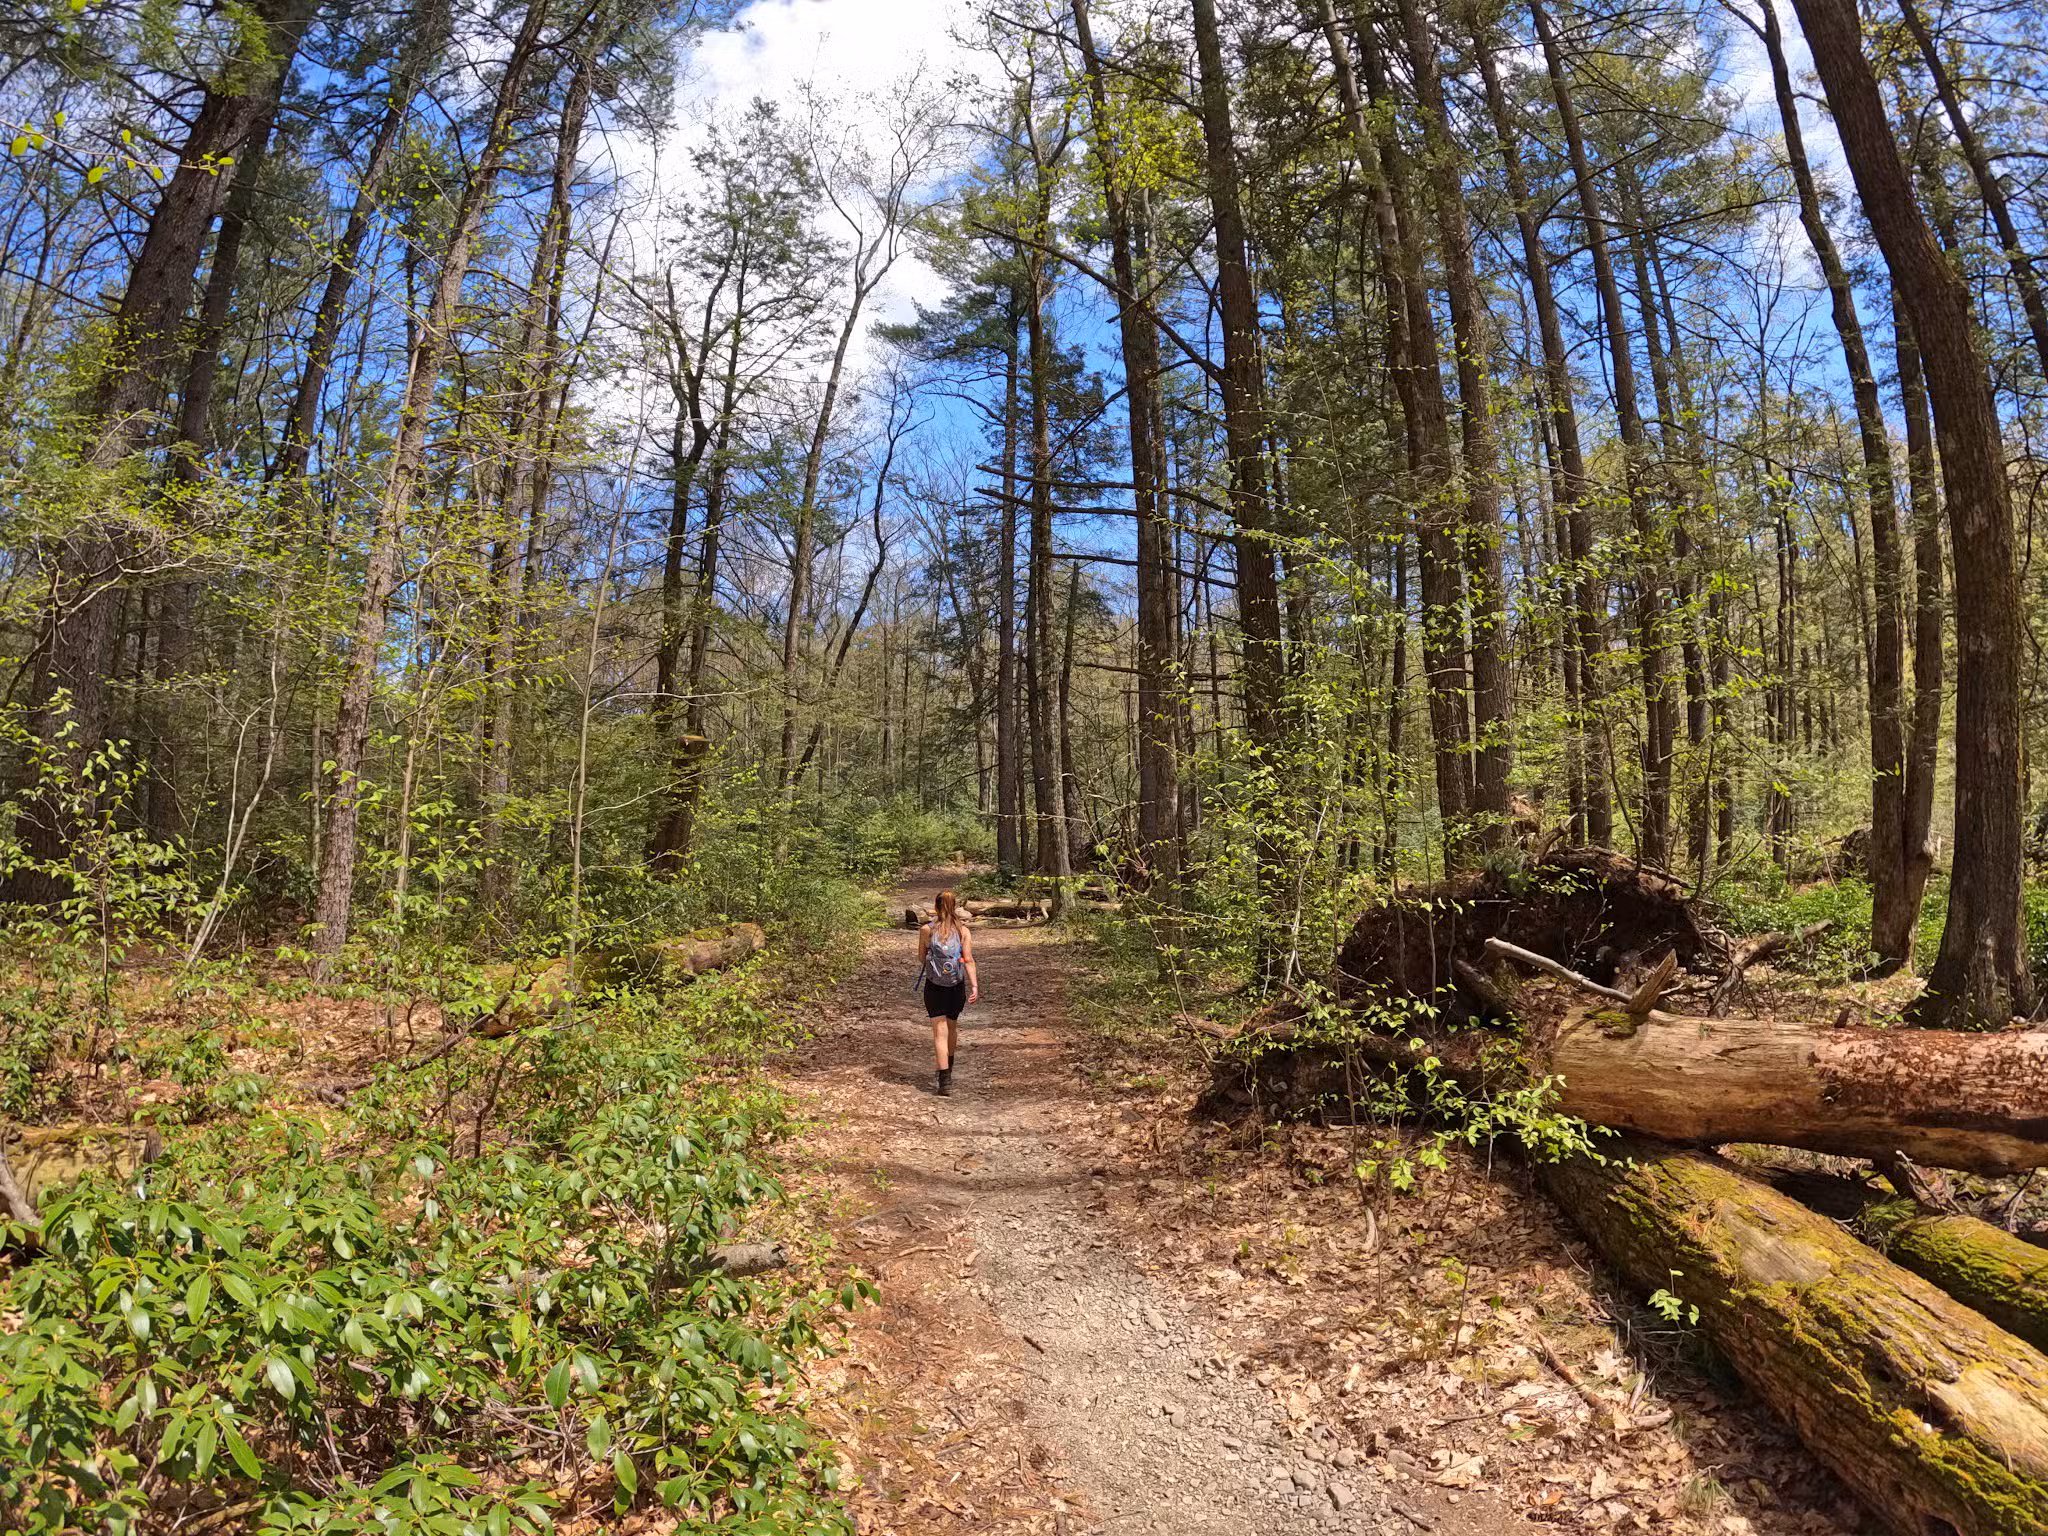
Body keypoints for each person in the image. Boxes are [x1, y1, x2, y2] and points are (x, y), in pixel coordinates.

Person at [917, 889, 978, 1095]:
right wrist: (975, 986)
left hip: (934, 986)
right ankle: (948, 1069)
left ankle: (945, 1081)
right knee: (952, 1028)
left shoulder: (927, 930)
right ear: (955, 907)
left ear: (936, 907)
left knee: (938, 1032)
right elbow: (968, 960)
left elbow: (920, 958)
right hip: (956, 986)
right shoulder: (963, 931)